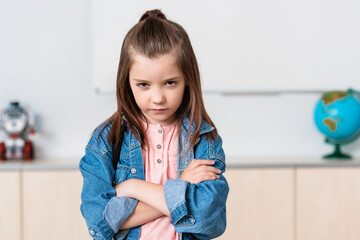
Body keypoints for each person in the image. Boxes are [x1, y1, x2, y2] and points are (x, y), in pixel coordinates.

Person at [79, 9, 229, 240]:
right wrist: (182, 186)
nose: (157, 98)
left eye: (170, 83)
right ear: (127, 82)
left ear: (187, 80)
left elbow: (206, 218)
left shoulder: (204, 140)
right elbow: (99, 224)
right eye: (143, 85)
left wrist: (131, 187)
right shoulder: (105, 141)